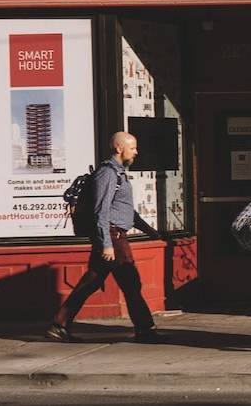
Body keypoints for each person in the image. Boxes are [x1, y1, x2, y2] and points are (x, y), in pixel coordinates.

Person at [46, 132, 166, 343]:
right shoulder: (107, 174)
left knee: (92, 281)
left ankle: (59, 324)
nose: (136, 152)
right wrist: (106, 244)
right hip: (113, 235)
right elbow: (100, 212)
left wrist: (151, 232)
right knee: (131, 283)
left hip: (116, 234)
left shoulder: (119, 173)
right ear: (119, 148)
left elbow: (125, 210)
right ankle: (145, 330)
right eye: (133, 148)